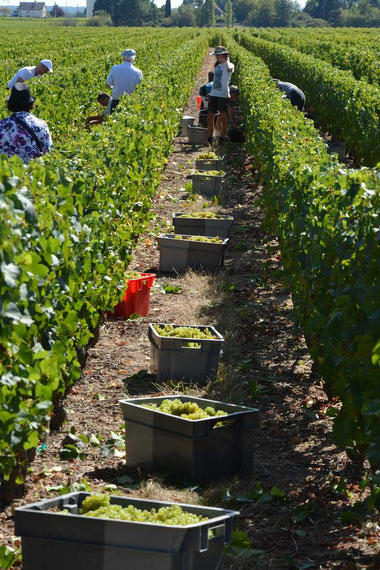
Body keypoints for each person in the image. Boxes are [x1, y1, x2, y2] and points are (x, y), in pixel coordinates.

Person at [0, 83, 52, 164]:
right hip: (32, 174)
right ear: (31, 104)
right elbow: (48, 152)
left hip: (6, 174)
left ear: (10, 104)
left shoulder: (2, 125)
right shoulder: (41, 125)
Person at [207, 46, 234, 144]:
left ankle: (222, 138)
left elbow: (229, 68)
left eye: (217, 55)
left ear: (223, 55)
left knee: (223, 116)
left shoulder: (229, 65)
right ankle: (209, 138)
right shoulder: (217, 66)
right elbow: (215, 80)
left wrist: (227, 59)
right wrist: (210, 92)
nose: (216, 57)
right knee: (210, 116)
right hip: (214, 94)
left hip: (223, 95)